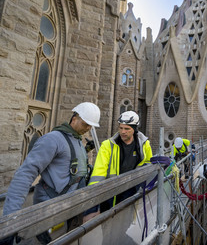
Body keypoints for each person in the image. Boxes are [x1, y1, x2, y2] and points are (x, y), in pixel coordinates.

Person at [1, 102, 101, 245]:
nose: (88, 128)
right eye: (86, 124)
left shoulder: (77, 140)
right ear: (74, 119)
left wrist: (85, 152)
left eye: (90, 126)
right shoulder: (52, 139)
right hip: (48, 210)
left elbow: (66, 164)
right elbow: (24, 175)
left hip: (67, 208)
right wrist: (10, 222)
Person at [83, 111, 152, 222]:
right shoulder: (107, 145)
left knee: (125, 223)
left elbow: (147, 164)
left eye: (127, 129)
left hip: (131, 191)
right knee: (107, 225)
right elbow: (98, 173)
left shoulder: (144, 144)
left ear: (134, 129)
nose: (122, 132)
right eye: (121, 128)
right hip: (110, 194)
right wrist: (93, 204)